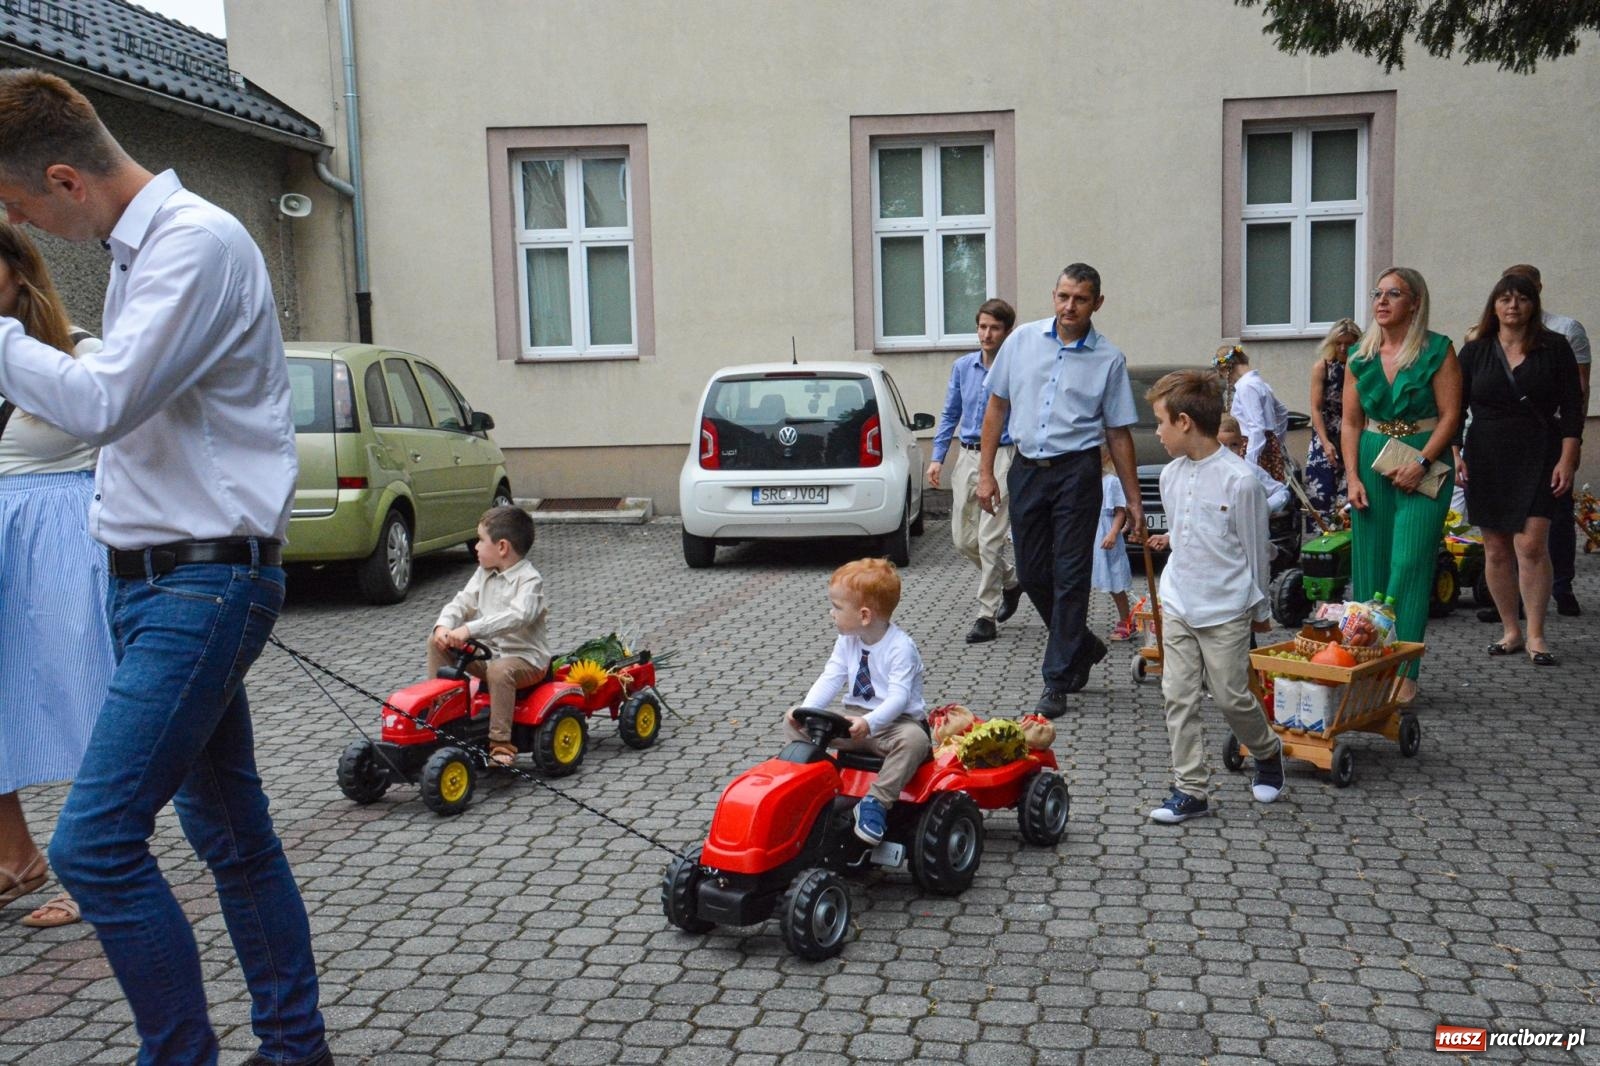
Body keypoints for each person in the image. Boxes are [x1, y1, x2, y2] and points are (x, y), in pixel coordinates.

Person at [0, 70, 331, 1065]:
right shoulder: (146, 255)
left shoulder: (194, 244)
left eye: (17, 208)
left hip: (203, 583)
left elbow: (100, 403)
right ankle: (294, 1047)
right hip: (157, 582)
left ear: (63, 178)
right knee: (233, 838)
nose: (25, 229)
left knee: (93, 847)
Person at [0, 220, 114, 929]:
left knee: (82, 698)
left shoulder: (77, 353)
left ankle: (94, 869)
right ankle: (16, 859)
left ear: (18, 271)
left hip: (63, 533)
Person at [975, 263, 1142, 719]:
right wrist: (985, 473)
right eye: (1063, 296)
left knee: (1071, 573)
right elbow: (996, 407)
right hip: (1026, 469)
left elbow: (1119, 432)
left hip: (1077, 473)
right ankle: (1081, 644)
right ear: (1053, 295)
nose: (1070, 307)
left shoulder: (1109, 358)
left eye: (1081, 299)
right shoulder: (1022, 341)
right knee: (1030, 573)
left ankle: (1056, 680)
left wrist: (1133, 499)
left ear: (1097, 304)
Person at [1141, 370, 1283, 824]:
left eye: (1160, 422)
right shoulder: (1169, 474)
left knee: (1231, 696)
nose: (1157, 432)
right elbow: (1184, 538)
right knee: (1177, 696)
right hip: (1180, 601)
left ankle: (1266, 749)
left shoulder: (1241, 481)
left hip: (1226, 608)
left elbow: (1256, 552)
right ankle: (1191, 789)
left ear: (1184, 422)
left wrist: (1261, 611)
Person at [1342, 267, 1462, 705]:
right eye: (1378, 292)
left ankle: (1405, 668)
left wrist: (1422, 459)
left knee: (1409, 565)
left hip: (1423, 456)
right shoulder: (1360, 353)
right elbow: (1351, 421)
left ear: (1415, 302)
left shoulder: (1438, 350)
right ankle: (1371, 664)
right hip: (1373, 458)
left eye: (1394, 293)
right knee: (1370, 569)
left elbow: (1451, 416)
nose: (1382, 300)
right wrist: (1352, 477)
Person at [1455, 273, 1582, 667]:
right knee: (1494, 548)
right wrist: (1456, 453)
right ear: (1494, 306)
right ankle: (1510, 629)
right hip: (1486, 452)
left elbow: (1574, 407)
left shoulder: (1555, 347)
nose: (1513, 306)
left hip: (1539, 448)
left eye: (1522, 299)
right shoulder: (1475, 351)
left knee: (1530, 544)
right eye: (1505, 299)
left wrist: (1568, 457)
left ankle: (1537, 634)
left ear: (1533, 304)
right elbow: (1455, 407)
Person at [783, 558, 928, 845]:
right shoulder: (847, 640)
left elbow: (899, 698)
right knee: (791, 722)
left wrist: (870, 722)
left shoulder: (901, 648)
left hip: (893, 725)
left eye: (837, 608)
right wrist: (805, 710)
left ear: (864, 615)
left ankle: (876, 801)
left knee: (916, 741)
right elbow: (831, 677)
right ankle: (810, 786)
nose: (831, 613)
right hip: (852, 720)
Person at [926, 298, 1023, 644]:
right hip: (967, 456)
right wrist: (937, 457)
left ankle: (986, 615)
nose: (987, 333)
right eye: (982, 326)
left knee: (989, 539)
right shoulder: (963, 367)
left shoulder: (1016, 368)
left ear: (1007, 332)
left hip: (1003, 456)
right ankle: (1011, 581)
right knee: (963, 540)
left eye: (995, 328)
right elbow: (950, 413)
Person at [430, 505, 550, 764]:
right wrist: (444, 626)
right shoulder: (483, 573)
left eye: (481, 540)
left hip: (526, 661)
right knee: (437, 643)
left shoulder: (530, 581)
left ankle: (500, 745)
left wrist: (470, 629)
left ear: (502, 547)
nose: (475, 546)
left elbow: (517, 617)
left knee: (499, 671)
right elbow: (462, 602)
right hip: (489, 655)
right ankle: (438, 718)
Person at [1503, 265, 1590, 619]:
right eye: (1508, 292)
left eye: (1525, 291)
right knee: (1507, 520)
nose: (1515, 301)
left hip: (1550, 436)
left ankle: (1562, 586)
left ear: (1538, 289)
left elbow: (1580, 390)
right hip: (1505, 440)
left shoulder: (1566, 330)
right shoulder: (1491, 337)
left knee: (1557, 511)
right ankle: (1513, 598)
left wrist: (1573, 443)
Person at [1306, 318, 1361, 524]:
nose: (1343, 348)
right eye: (1339, 343)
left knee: (1348, 494)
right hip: (1326, 432)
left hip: (1353, 433)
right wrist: (1325, 442)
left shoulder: (1360, 368)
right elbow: (1316, 408)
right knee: (1321, 493)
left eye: (1349, 343)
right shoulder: (1323, 367)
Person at [1213, 344, 1289, 482]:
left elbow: (1256, 427)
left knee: (1255, 497)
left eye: (1223, 374)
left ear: (1227, 368)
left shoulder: (1246, 386)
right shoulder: (1260, 383)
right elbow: (1282, 412)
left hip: (1254, 449)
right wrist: (1276, 441)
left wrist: (1250, 462)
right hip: (1265, 447)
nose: (1226, 379)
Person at [1092, 445, 1135, 641]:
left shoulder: (1112, 482)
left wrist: (1113, 532)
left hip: (1106, 534)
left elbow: (1120, 512)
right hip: (1090, 535)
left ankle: (1126, 620)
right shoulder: (1085, 482)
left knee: (1114, 580)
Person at [1218, 414, 1291, 514]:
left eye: (1234, 445)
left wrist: (1266, 507)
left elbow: (1281, 492)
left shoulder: (1250, 470)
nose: (1229, 451)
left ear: (1241, 444)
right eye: (1222, 445)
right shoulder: (1206, 472)